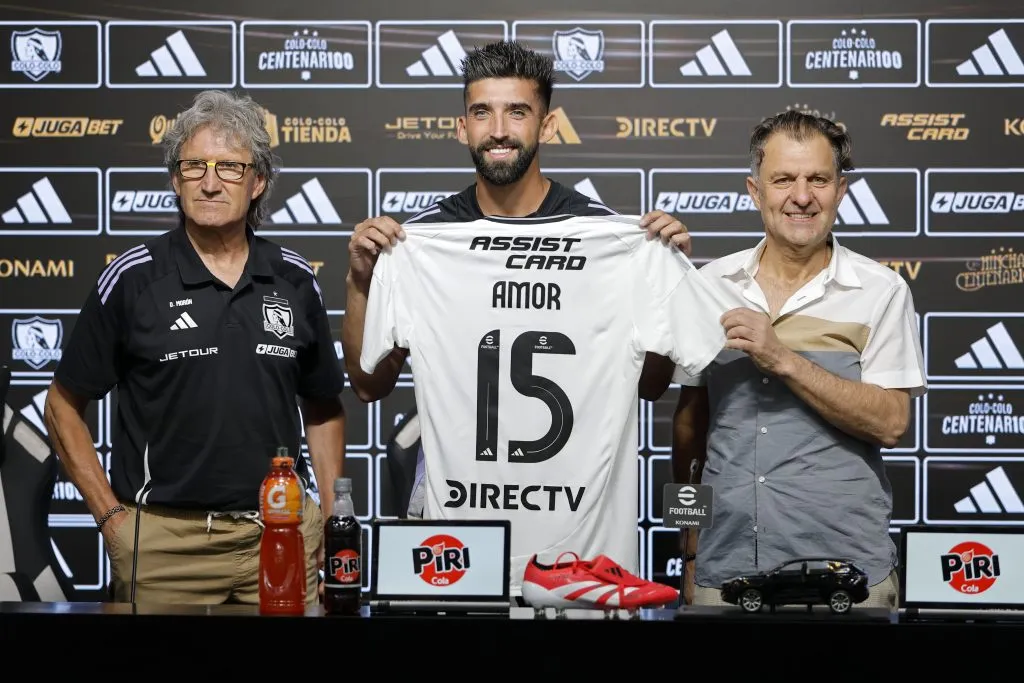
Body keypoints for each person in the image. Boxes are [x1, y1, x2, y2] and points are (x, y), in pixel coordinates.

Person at [43, 89, 346, 605]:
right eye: (193, 166)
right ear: (174, 179)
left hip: (279, 533)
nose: (209, 182)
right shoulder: (134, 278)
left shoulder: (294, 279)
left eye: (229, 167)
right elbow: (61, 406)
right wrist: (112, 519)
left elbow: (322, 408)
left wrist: (333, 520)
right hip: (164, 546)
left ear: (258, 183)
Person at [343, 40, 688, 408]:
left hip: (575, 468)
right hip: (453, 467)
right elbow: (369, 386)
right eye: (481, 113)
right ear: (462, 128)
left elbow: (651, 385)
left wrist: (668, 285)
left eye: (517, 112)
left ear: (548, 126)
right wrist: (361, 283)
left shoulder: (603, 234)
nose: (499, 130)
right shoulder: (421, 241)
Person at [672, 110, 926, 611]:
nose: (802, 196)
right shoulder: (708, 288)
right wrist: (689, 548)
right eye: (783, 179)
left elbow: (892, 423)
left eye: (819, 180)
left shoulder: (880, 291)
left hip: (850, 576)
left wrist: (782, 358)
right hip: (724, 572)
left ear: (841, 191)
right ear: (754, 191)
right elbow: (688, 431)